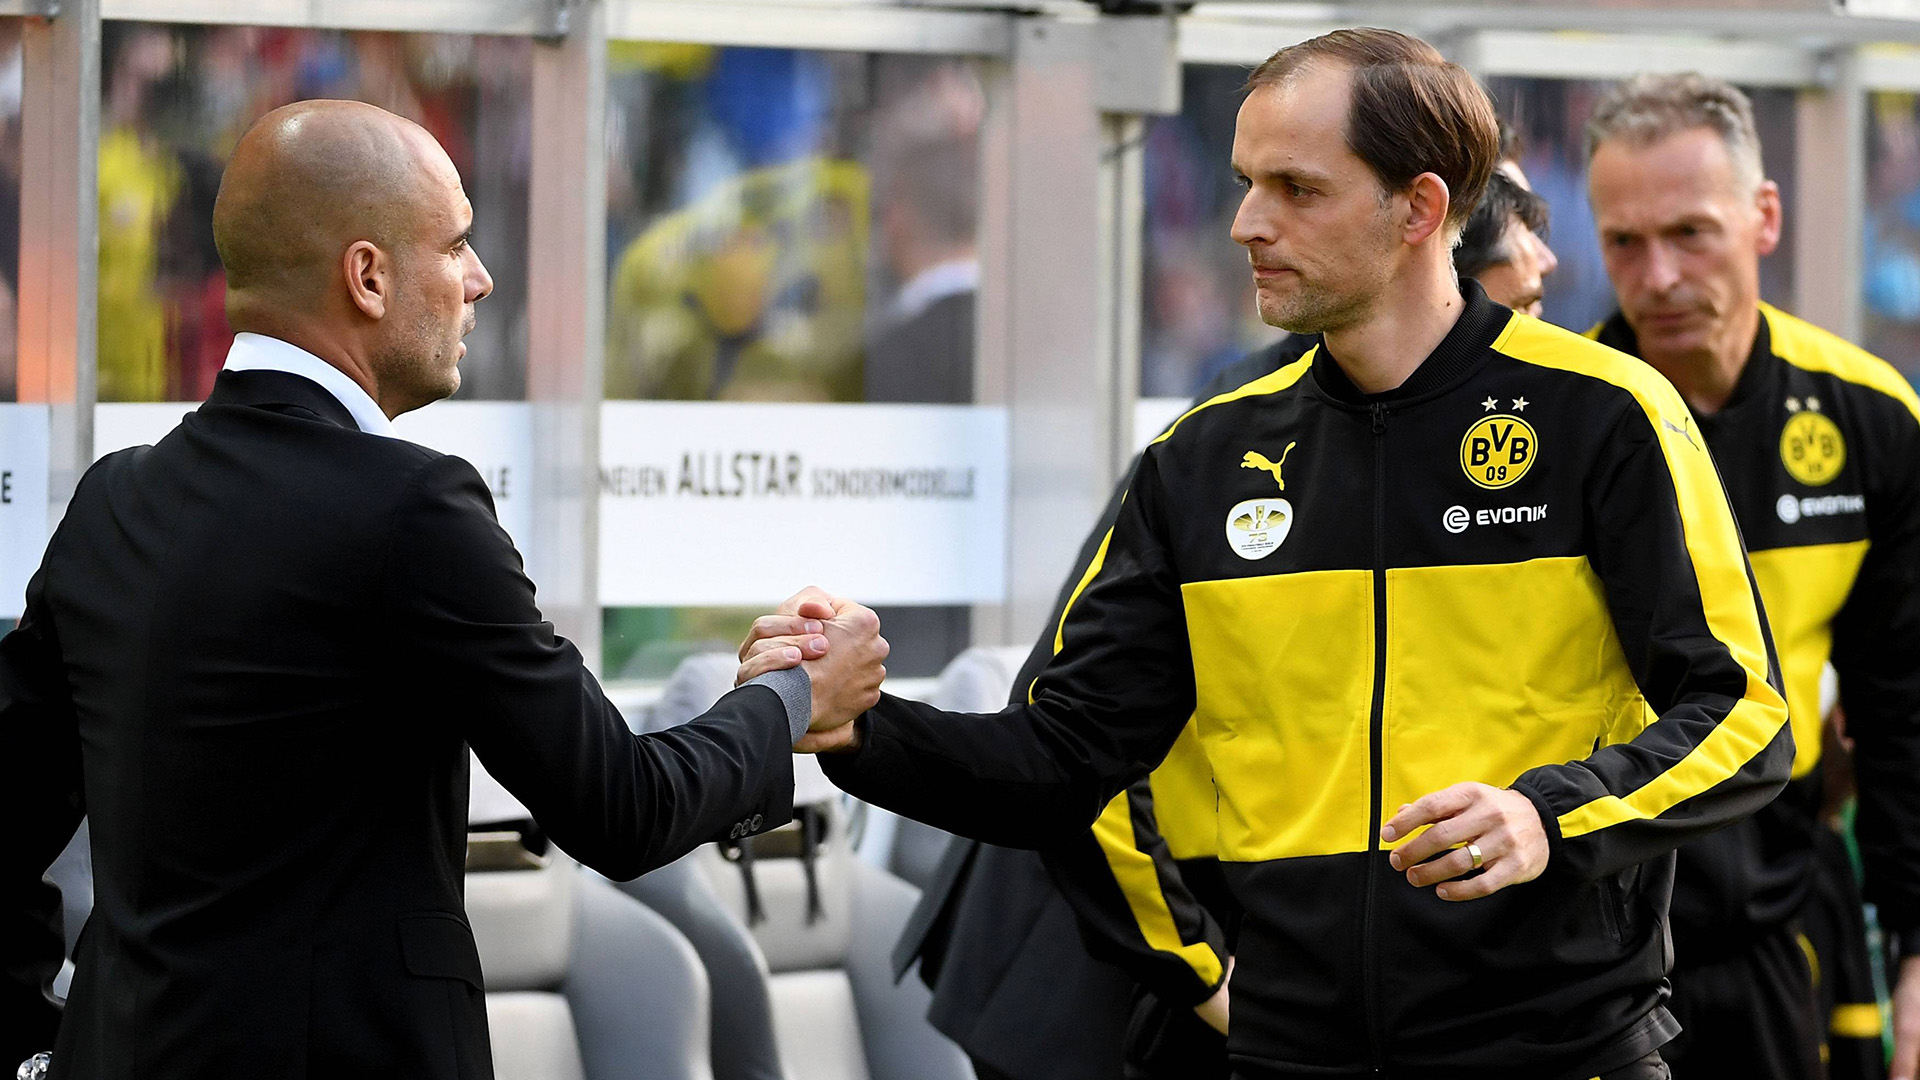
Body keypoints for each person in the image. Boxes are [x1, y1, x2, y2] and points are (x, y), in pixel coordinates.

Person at [744, 28, 1790, 1079]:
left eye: (1297, 188)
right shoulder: (1201, 459)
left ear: (1418, 210)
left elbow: (1745, 714)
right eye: (1248, 182)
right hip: (1289, 1057)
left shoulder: (1606, 413)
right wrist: (857, 729)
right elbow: (1059, 765)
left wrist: (1546, 816)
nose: (1246, 222)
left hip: (1562, 1053)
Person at [0, 99, 886, 1079]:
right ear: (368, 277)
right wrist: (793, 696)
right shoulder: (412, 511)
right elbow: (621, 805)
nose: (481, 279)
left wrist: (39, 1040)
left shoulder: (114, 500)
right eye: (456, 244)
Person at [888, 158, 1562, 1080]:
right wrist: (1211, 980)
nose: (1541, 338)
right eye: (1520, 305)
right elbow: (1078, 749)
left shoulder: (1429, 444)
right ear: (1431, 260)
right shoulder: (1235, 442)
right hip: (1100, 955)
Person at [1582, 72, 1920, 1080]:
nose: (1660, 277)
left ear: (1764, 217)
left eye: (1692, 232)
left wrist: (1916, 952)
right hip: (1594, 921)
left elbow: (1903, 707)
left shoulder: (1867, 418)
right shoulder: (1562, 423)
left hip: (1775, 907)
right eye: (1624, 243)